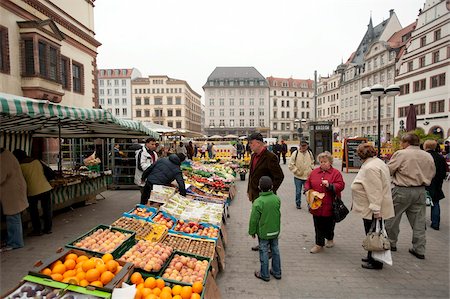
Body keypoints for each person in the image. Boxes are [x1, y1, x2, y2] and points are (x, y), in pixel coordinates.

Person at [384, 133, 435, 259]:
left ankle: (391, 243)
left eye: (402, 142)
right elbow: (432, 172)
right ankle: (419, 249)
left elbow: (389, 170)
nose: (401, 144)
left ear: (406, 142)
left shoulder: (402, 154)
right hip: (421, 190)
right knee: (419, 221)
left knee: (393, 218)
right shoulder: (427, 155)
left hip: (402, 189)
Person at [351, 143, 395, 270]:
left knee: (374, 233)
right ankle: (371, 255)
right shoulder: (377, 162)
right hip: (372, 206)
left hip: (372, 208)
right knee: (372, 232)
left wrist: (376, 209)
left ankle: (376, 261)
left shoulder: (370, 167)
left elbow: (375, 190)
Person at [247, 132, 284, 251]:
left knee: (266, 221)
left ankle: (268, 245)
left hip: (266, 196)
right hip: (255, 194)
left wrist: (271, 192)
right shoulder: (253, 156)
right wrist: (249, 190)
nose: (249, 146)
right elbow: (252, 175)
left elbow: (279, 176)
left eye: (251, 143)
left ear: (258, 143)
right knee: (257, 219)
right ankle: (261, 242)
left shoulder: (270, 157)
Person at [305, 151, 345, 253]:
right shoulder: (314, 172)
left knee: (329, 224)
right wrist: (306, 191)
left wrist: (330, 185)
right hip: (316, 204)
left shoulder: (336, 173)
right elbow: (308, 183)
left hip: (330, 204)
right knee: (318, 224)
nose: (323, 163)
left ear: (330, 162)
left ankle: (330, 238)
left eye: (325, 161)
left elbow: (341, 185)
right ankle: (319, 244)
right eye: (321, 161)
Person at [13, 149, 53, 236]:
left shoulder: (19, 166)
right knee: (47, 209)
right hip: (45, 188)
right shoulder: (36, 161)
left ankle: (37, 230)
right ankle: (48, 228)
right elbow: (48, 171)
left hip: (32, 191)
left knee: (34, 212)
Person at [249, 176, 282, 282]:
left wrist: (252, 231)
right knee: (275, 249)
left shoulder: (258, 202)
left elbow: (254, 219)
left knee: (263, 250)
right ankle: (277, 272)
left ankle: (264, 274)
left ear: (259, 187)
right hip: (275, 230)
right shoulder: (276, 199)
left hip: (263, 232)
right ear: (272, 186)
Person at [0, 148, 29, 251]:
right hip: (13, 191)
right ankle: (12, 240)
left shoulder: (4, 158)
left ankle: (15, 242)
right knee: (14, 217)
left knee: (13, 217)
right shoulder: (7, 155)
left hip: (12, 193)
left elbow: (1, 176)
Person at [423, 140, 447, 230]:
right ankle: (435, 224)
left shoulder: (424, 156)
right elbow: (443, 172)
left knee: (422, 204)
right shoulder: (440, 157)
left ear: (425, 146)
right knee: (436, 203)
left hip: (425, 182)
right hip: (437, 183)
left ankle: (421, 224)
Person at [288, 139, 315, 209]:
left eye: (304, 146)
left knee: (308, 192)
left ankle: (309, 205)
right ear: (299, 146)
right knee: (298, 192)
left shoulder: (309, 153)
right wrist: (296, 171)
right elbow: (290, 165)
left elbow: (312, 161)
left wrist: (311, 169)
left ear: (307, 146)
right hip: (298, 177)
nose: (303, 147)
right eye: (302, 146)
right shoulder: (295, 153)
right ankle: (298, 204)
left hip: (307, 176)